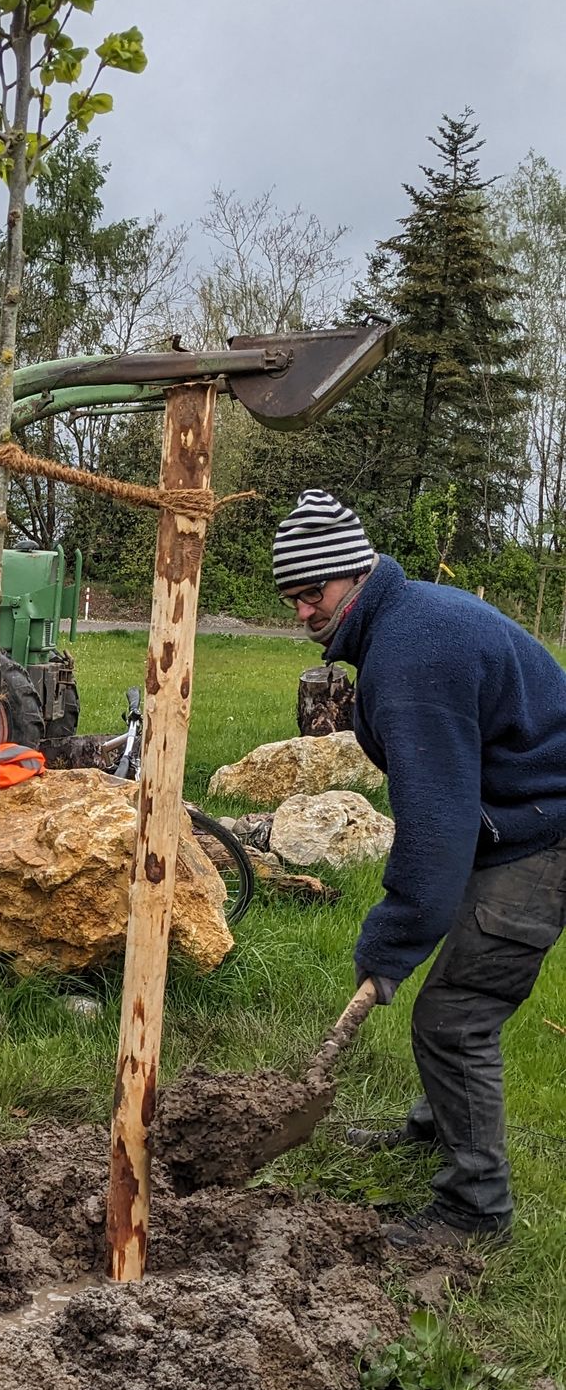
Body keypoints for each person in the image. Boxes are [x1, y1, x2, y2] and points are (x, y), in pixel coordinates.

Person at [273, 490, 566, 1247]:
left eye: (314, 592)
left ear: (354, 575)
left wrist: (390, 941)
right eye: (292, 597)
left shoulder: (413, 656)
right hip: (513, 818)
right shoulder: (407, 625)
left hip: (547, 834)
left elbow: (436, 828)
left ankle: (476, 1210)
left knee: (456, 1014)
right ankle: (440, 1128)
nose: (302, 611)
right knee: (458, 987)